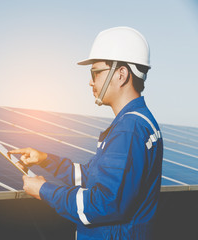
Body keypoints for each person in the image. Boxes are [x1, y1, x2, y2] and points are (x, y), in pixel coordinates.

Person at [8, 26, 163, 239]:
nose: (91, 81)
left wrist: (45, 191)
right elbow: (92, 177)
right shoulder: (137, 122)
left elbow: (103, 204)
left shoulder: (129, 129)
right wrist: (45, 160)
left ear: (121, 74)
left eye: (96, 72)